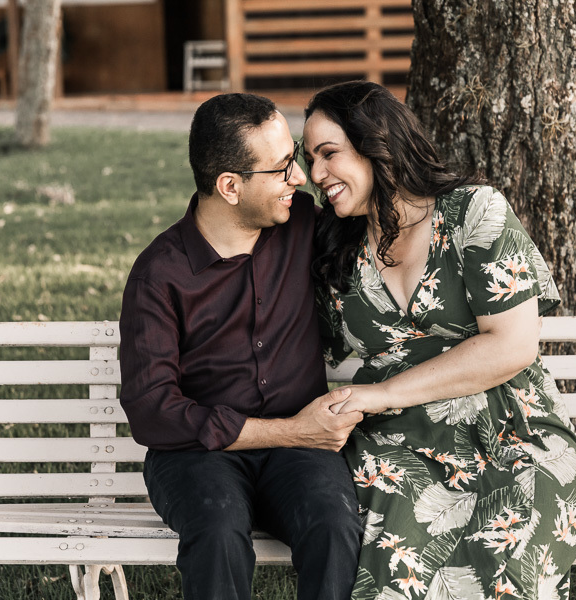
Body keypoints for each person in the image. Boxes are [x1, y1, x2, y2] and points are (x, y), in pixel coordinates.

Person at [303, 81, 576, 599]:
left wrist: (383, 393)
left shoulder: (474, 213)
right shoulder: (334, 250)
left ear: (375, 143)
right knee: (395, 571)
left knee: (509, 561)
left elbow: (512, 345)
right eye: (310, 159)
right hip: (399, 445)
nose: (316, 174)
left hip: (513, 432)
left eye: (328, 154)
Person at [119, 93, 364, 600]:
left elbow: (384, 221)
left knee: (334, 524)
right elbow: (153, 412)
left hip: (300, 451)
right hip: (197, 455)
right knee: (217, 527)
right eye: (281, 169)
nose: (300, 178)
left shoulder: (304, 227)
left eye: (294, 159)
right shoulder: (159, 275)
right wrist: (293, 429)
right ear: (229, 186)